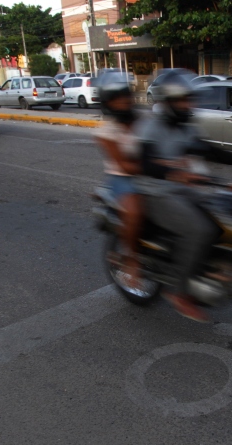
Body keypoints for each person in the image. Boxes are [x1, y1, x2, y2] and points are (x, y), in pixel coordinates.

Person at [136, 69, 222, 322]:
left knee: (222, 217)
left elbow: (207, 149)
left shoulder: (184, 125)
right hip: (154, 192)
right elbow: (144, 164)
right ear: (170, 101)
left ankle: (203, 270)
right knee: (199, 230)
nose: (189, 105)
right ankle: (179, 292)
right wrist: (173, 172)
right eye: (184, 100)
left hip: (180, 189)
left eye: (190, 99)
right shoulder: (150, 126)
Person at [93, 70, 144, 289]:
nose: (123, 101)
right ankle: (131, 258)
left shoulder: (145, 120)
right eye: (116, 98)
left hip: (152, 174)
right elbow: (124, 165)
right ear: (108, 102)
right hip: (122, 179)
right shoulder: (105, 131)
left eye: (125, 95)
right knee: (135, 211)